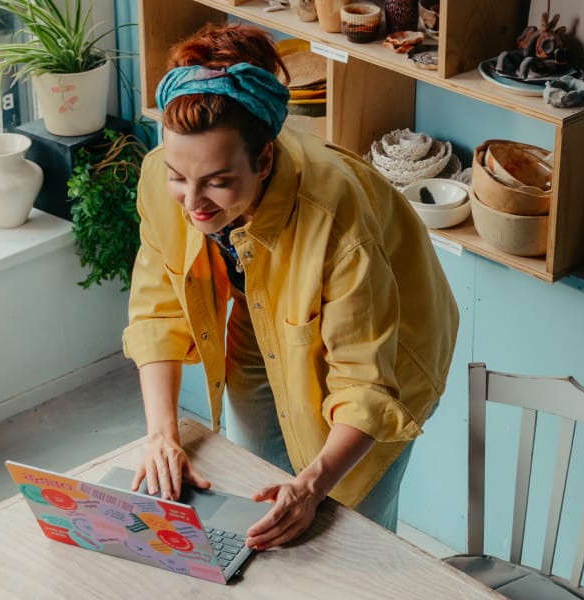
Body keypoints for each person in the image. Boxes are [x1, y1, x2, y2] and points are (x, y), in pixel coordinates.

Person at [123, 24, 460, 552]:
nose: (192, 202)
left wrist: (311, 485)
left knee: (345, 524)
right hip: (264, 315)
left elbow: (365, 385)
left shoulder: (336, 217)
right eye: (178, 176)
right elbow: (157, 311)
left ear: (263, 161)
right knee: (254, 489)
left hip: (389, 347)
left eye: (216, 181)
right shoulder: (161, 178)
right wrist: (161, 434)